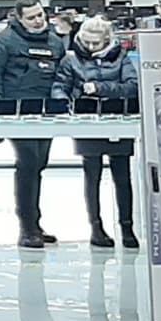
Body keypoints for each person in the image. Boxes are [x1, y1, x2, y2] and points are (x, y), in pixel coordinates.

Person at [0, 0, 68, 245]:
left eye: (40, 15)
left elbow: (64, 75)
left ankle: (35, 224)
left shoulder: (54, 42)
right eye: (31, 17)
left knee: (39, 164)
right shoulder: (3, 42)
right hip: (16, 114)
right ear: (19, 18)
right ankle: (27, 228)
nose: (38, 20)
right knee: (28, 164)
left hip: (47, 112)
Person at [63, 14, 141, 249]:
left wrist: (99, 88)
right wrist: (67, 106)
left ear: (107, 39)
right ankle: (96, 228)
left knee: (123, 177)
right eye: (86, 41)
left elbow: (133, 87)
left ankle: (127, 228)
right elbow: (60, 87)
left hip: (117, 121)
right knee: (91, 177)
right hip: (86, 123)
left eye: (95, 43)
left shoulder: (122, 58)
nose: (90, 47)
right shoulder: (71, 60)